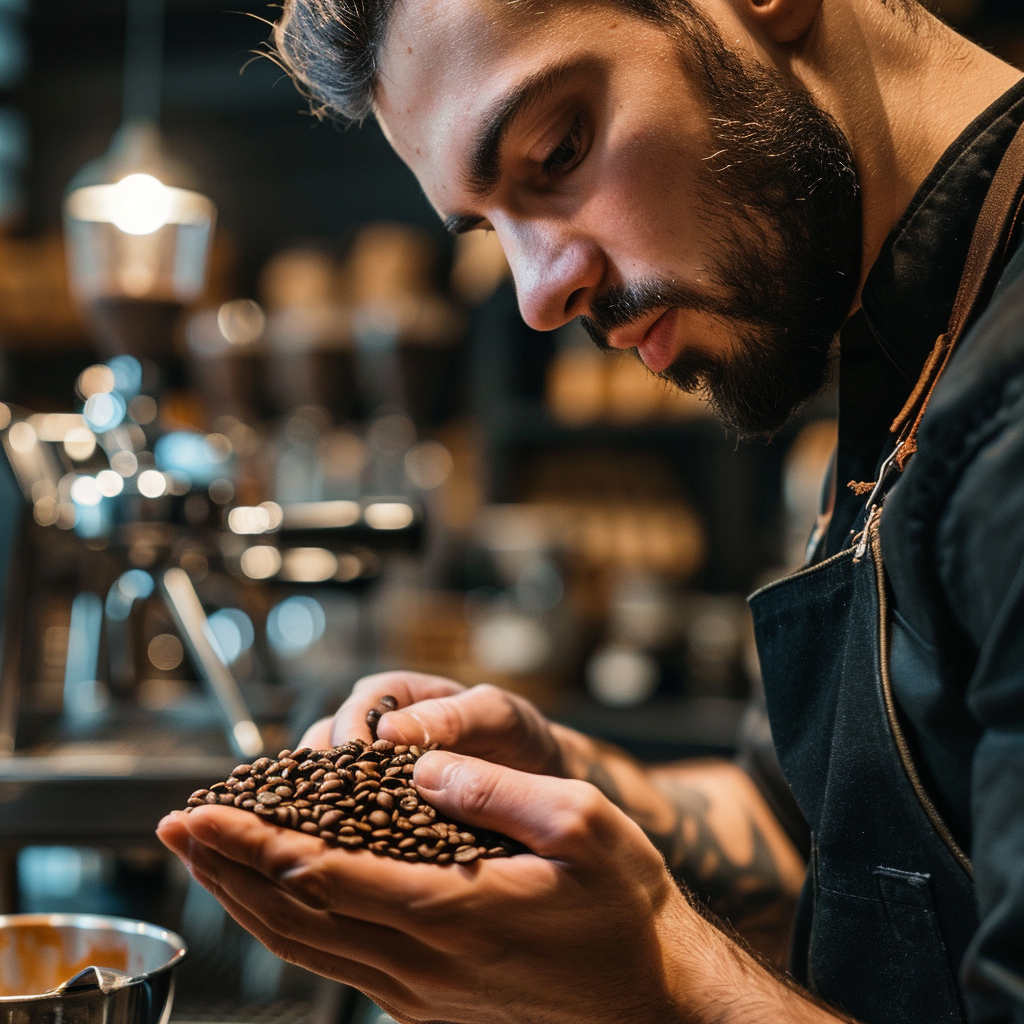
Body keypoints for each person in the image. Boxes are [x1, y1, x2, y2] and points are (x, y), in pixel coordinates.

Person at [157, 0, 1024, 1020]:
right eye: (490, 226)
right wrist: (558, 783)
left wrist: (659, 980)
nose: (536, 295)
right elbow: (822, 844)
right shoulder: (900, 343)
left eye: (558, 149)